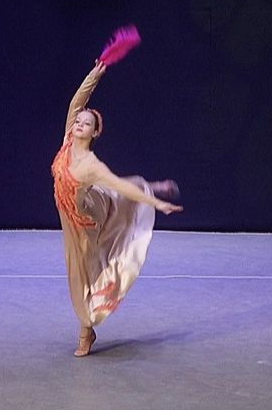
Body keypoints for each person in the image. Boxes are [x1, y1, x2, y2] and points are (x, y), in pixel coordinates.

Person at [51, 57, 182, 357]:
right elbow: (77, 101)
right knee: (113, 195)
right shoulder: (67, 142)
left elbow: (120, 187)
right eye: (78, 121)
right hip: (72, 212)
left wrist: (158, 204)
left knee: (86, 274)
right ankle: (151, 186)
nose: (79, 124)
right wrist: (96, 73)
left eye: (86, 123)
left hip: (87, 217)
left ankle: (86, 332)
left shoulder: (91, 164)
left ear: (94, 133)